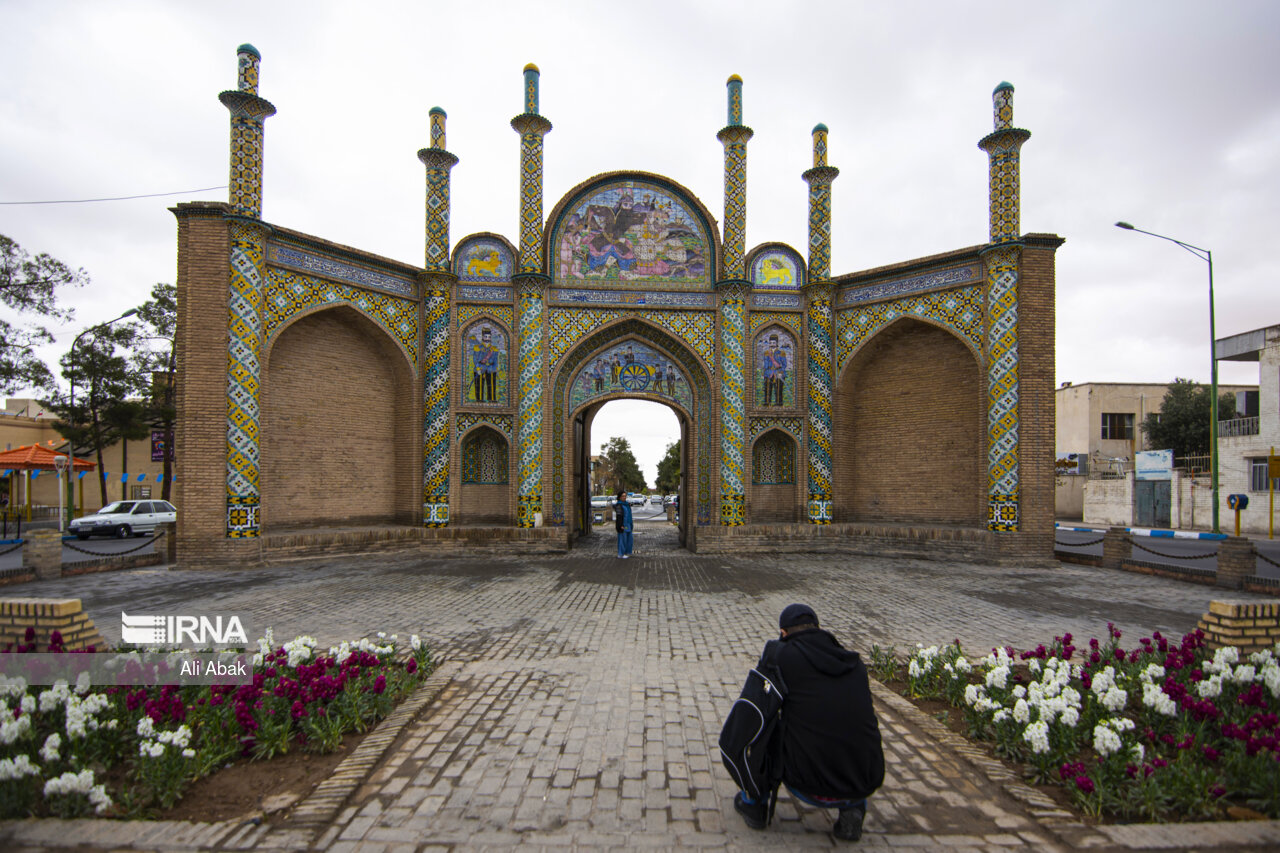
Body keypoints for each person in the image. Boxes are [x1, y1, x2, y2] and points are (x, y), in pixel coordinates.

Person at [721, 603, 884, 842]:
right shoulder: (854, 664)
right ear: (817, 629)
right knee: (851, 726)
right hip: (862, 780)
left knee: (764, 726)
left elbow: (752, 711)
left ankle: (754, 802)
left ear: (784, 633)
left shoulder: (779, 654)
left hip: (804, 782)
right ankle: (852, 811)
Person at [613, 489, 633, 559]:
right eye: (623, 496)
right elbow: (619, 516)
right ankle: (620, 554)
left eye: (625, 496)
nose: (624, 497)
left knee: (628, 539)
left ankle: (626, 552)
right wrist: (620, 525)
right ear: (619, 497)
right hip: (623, 525)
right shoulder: (619, 505)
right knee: (622, 539)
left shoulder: (627, 504)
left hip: (628, 524)